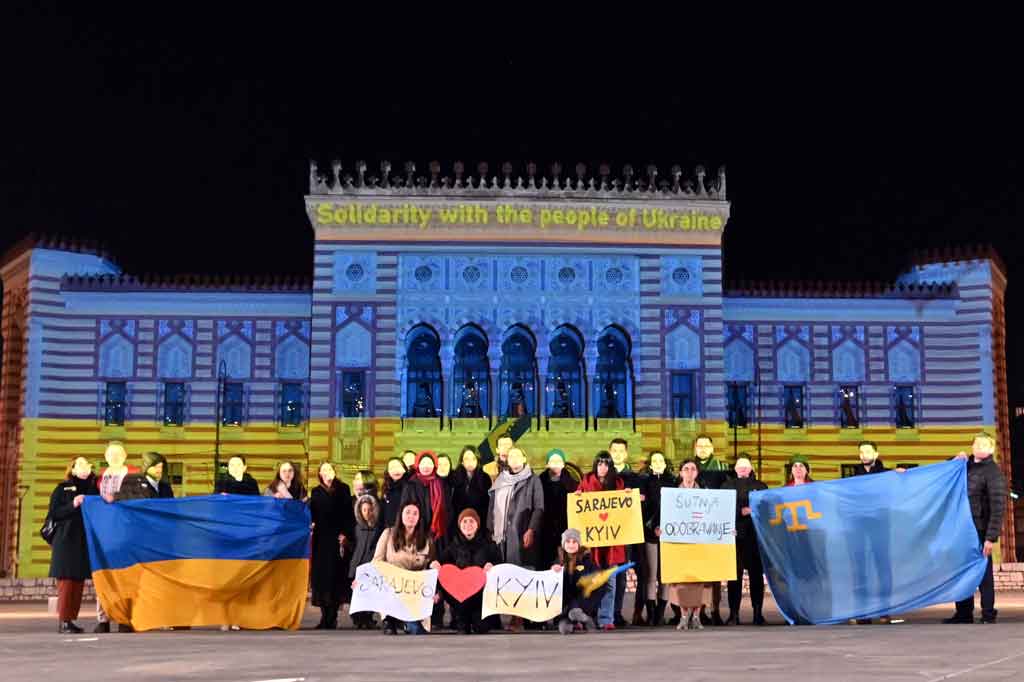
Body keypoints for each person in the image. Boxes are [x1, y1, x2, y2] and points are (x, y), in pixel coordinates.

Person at [945, 433, 1007, 624]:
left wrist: (991, 538)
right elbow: (944, 476)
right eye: (976, 443)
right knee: (961, 570)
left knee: (983, 572)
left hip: (980, 529)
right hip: (961, 528)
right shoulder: (963, 466)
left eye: (984, 444)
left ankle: (988, 613)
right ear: (972, 447)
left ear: (991, 449)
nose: (980, 447)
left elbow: (998, 507)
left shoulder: (993, 473)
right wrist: (953, 460)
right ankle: (964, 613)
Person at [487, 445, 544, 632]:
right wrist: (490, 530)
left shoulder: (533, 480)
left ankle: (517, 618)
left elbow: (539, 508)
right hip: (500, 535)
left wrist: (531, 529)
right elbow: (492, 507)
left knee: (519, 575)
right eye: (511, 456)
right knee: (502, 575)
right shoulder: (500, 480)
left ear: (524, 458)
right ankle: (502, 615)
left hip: (520, 534)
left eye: (518, 455)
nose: (514, 459)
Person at [48, 456, 99, 634]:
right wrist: (73, 504)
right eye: (81, 464)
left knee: (77, 583)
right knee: (67, 583)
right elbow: (54, 513)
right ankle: (64, 621)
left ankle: (70, 620)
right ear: (73, 469)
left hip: (84, 542)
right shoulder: (62, 489)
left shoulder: (94, 488)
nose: (86, 467)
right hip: (67, 541)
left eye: (88, 464)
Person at [577, 451, 627, 631]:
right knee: (590, 582)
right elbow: (579, 506)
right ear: (595, 465)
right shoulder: (586, 480)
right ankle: (586, 618)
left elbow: (625, 509)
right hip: (593, 543)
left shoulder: (618, 483)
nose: (602, 467)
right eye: (599, 464)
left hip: (612, 543)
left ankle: (606, 619)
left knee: (610, 582)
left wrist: (628, 498)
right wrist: (577, 496)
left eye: (606, 464)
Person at [430, 508, 500, 634]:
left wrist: (492, 565)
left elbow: (499, 563)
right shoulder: (453, 546)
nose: (468, 525)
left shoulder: (488, 546)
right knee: (463, 628)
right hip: (459, 599)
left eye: (471, 521)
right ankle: (460, 617)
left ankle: (475, 618)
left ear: (477, 524)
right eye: (464, 522)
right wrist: (435, 564)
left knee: (482, 628)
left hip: (480, 598)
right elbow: (439, 563)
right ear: (460, 525)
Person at [371, 501, 436, 634]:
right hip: (392, 590)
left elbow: (431, 567)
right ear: (400, 515)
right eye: (407, 512)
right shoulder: (388, 534)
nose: (411, 516)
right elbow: (376, 562)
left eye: (415, 513)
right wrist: (362, 580)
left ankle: (403, 622)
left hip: (415, 593)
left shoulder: (427, 539)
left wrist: (435, 590)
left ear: (419, 518)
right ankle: (390, 619)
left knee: (419, 631)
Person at [720, 456, 768, 625]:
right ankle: (734, 614)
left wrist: (752, 510)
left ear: (751, 468)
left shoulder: (761, 487)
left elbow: (766, 509)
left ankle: (757, 613)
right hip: (734, 537)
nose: (742, 469)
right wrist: (741, 512)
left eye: (746, 466)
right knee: (734, 577)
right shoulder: (727, 486)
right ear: (735, 469)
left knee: (756, 577)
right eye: (739, 466)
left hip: (755, 537)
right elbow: (721, 509)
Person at [659, 458, 706, 631]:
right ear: (680, 473)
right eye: (686, 469)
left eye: (693, 469)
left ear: (697, 473)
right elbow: (664, 516)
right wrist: (661, 528)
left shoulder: (706, 494)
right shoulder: (671, 495)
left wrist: (726, 531)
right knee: (680, 581)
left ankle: (697, 616)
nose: (689, 472)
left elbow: (715, 517)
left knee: (700, 580)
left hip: (699, 543)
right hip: (678, 543)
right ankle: (684, 616)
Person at [309, 462, 356, 629]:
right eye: (323, 470)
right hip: (321, 540)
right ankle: (324, 616)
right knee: (322, 578)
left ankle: (333, 616)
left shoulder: (343, 489)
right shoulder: (315, 492)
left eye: (329, 469)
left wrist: (346, 534)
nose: (326, 473)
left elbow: (348, 515)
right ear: (319, 474)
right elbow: (312, 514)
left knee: (335, 577)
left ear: (334, 472)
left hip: (337, 538)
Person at [692, 434, 728, 625]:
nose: (703, 449)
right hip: (693, 528)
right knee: (697, 572)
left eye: (707, 446)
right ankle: (698, 610)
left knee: (714, 573)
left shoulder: (722, 468)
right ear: (695, 449)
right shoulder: (689, 468)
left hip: (713, 527)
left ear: (713, 449)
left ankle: (714, 610)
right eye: (700, 446)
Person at [643, 450, 675, 626]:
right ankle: (651, 613)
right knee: (651, 575)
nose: (657, 463)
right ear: (650, 464)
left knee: (666, 576)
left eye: (660, 460)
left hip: (669, 534)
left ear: (665, 463)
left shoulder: (672, 482)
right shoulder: (644, 482)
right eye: (654, 460)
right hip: (650, 534)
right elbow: (643, 509)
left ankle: (661, 613)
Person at [537, 449, 579, 573]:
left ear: (563, 464)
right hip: (545, 529)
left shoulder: (572, 483)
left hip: (564, 528)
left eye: (558, 460)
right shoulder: (539, 481)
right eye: (552, 460)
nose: (555, 463)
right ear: (547, 464)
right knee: (545, 563)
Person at [552, 528, 600, 634]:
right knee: (564, 628)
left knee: (576, 607)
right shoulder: (559, 560)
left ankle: (582, 617)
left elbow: (595, 573)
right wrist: (554, 570)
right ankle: (573, 622)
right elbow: (553, 579)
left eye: (574, 542)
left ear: (579, 544)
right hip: (565, 600)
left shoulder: (586, 559)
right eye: (568, 542)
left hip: (581, 597)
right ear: (563, 544)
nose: (571, 545)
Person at [349, 494, 382, 629]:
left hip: (370, 566)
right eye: (364, 510)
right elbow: (355, 546)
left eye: (369, 510)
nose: (367, 513)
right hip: (357, 565)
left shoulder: (377, 529)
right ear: (359, 511)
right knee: (357, 593)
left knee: (370, 593)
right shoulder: (357, 528)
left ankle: (368, 618)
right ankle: (358, 618)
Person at [449, 446, 492, 535]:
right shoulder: (454, 477)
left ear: (478, 460)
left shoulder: (485, 478)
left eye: (473, 459)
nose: (470, 462)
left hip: (479, 526)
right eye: (466, 459)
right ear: (462, 461)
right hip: (458, 526)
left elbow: (487, 505)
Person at [381, 457, 409, 528]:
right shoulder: (386, 487)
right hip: (389, 528)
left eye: (398, 467)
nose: (396, 470)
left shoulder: (409, 486)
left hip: (404, 528)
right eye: (392, 468)